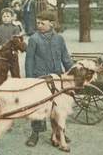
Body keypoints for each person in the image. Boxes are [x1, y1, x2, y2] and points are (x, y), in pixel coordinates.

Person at [24, 10, 74, 147]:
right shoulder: (34, 39)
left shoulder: (59, 39)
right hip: (40, 78)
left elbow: (66, 58)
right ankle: (35, 133)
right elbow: (29, 61)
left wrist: (73, 71)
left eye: (42, 23)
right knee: (39, 106)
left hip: (57, 78)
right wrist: (30, 80)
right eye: (37, 23)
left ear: (51, 24)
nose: (39, 25)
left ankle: (59, 131)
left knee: (58, 106)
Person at [0, 8, 22, 77]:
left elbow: (15, 40)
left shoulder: (15, 28)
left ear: (12, 17)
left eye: (8, 16)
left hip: (12, 53)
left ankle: (17, 86)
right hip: (1, 54)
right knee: (1, 74)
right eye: (4, 16)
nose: (5, 18)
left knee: (15, 73)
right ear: (1, 18)